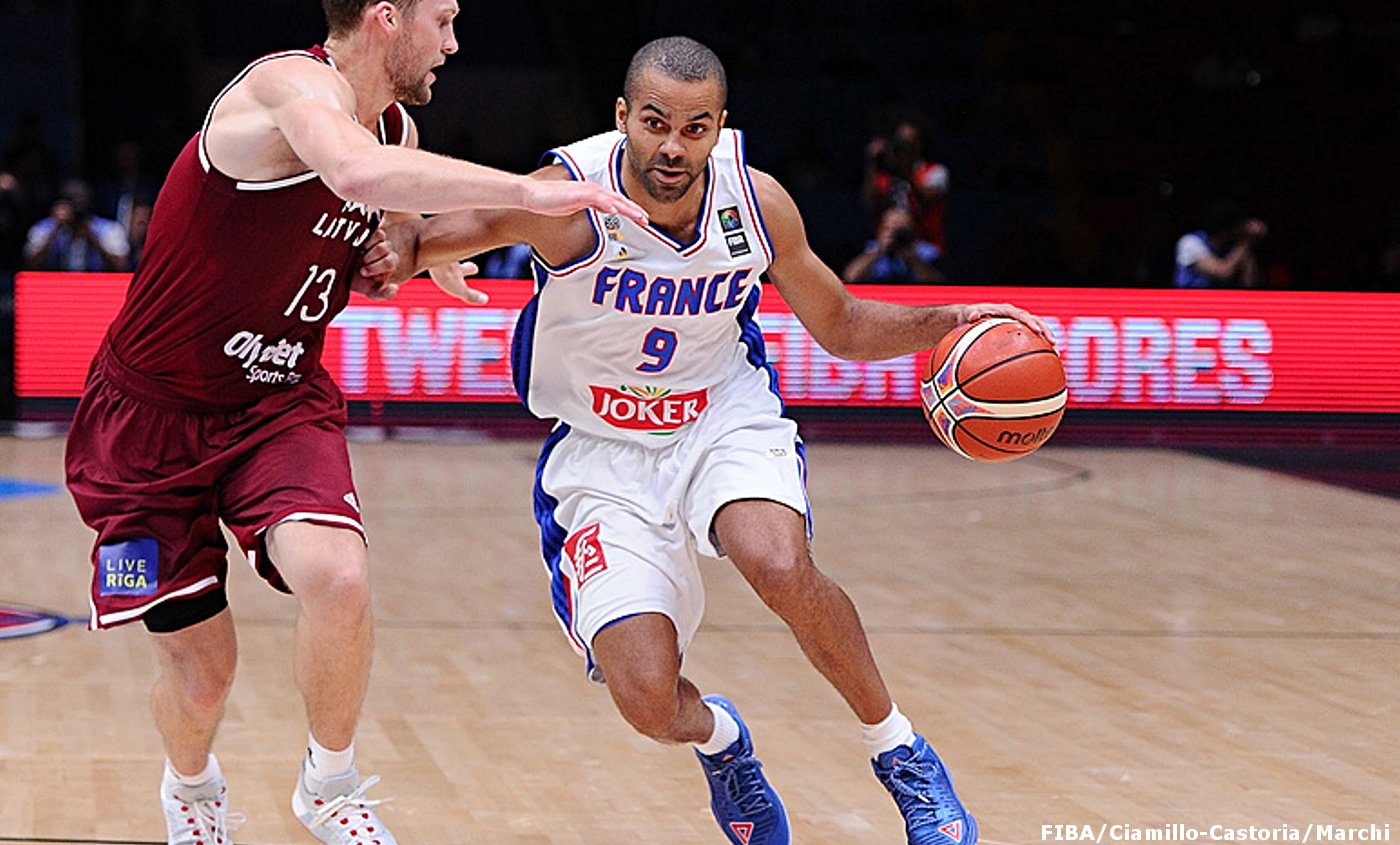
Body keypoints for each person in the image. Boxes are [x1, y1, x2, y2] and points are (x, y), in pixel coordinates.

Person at [391, 36, 1049, 845]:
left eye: (695, 128)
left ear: (720, 126)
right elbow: (413, 244)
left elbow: (841, 323)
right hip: (601, 452)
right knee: (647, 700)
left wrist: (951, 320)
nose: (673, 146)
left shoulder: (756, 202)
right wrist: (409, 240)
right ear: (622, 117)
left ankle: (901, 752)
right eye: (656, 123)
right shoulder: (565, 200)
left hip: (719, 414)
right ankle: (723, 741)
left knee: (776, 561)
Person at [61, 3, 645, 845]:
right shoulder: (284, 87)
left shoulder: (397, 130)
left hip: (276, 399)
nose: (452, 43)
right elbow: (354, 172)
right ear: (386, 18)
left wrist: (416, 251)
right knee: (202, 679)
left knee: (338, 576)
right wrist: (525, 192)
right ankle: (191, 786)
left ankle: (329, 785)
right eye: (441, 20)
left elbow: (388, 215)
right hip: (148, 421)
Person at [861, 118, 950, 255]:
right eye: (901, 140)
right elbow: (869, 202)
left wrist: (906, 171)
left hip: (924, 245)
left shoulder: (935, 171)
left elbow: (927, 200)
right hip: (887, 244)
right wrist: (873, 163)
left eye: (909, 141)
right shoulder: (886, 176)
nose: (904, 146)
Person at [23, 178, 132, 272]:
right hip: (55, 285)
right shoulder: (45, 228)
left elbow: (121, 266)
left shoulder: (108, 229)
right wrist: (56, 229)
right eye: (73, 203)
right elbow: (31, 265)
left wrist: (92, 237)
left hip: (96, 285)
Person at [1173, 202, 1267, 288]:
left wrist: (1248, 245)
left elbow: (1249, 284)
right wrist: (1245, 242)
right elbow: (1223, 272)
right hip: (1191, 298)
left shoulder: (1236, 247)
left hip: (1223, 298)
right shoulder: (1191, 242)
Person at [842, 204, 945, 284]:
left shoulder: (926, 251)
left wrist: (911, 257)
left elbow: (935, 281)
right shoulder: (871, 248)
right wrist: (879, 251)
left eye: (900, 230)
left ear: (913, 230)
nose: (895, 235)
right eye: (890, 228)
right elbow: (850, 277)